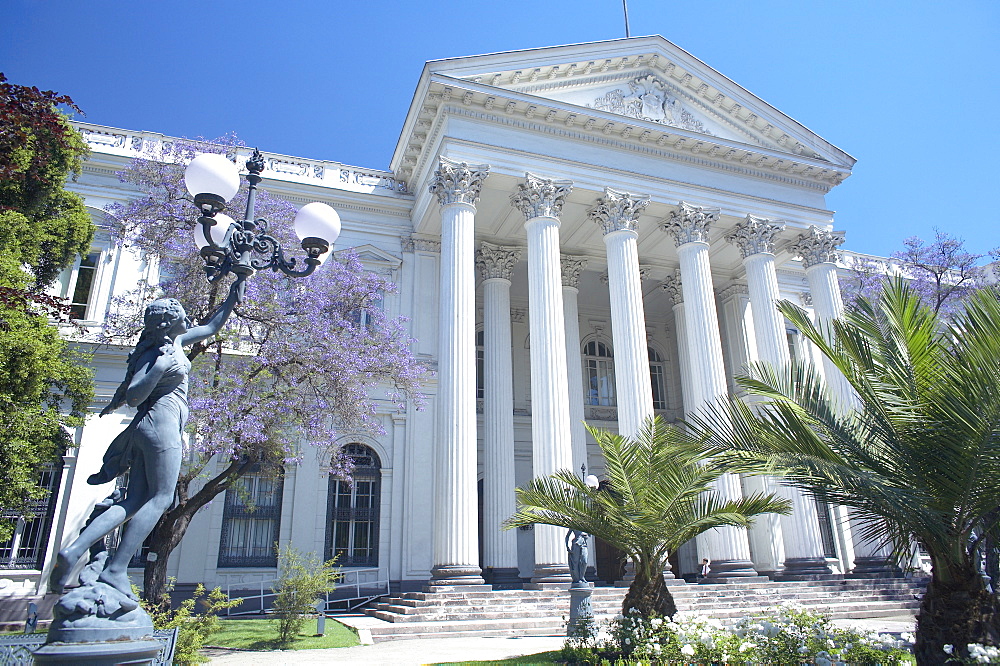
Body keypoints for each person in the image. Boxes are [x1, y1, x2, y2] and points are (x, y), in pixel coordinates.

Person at [50, 278, 244, 605]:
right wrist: (160, 369)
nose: (187, 316)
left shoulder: (178, 340)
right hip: (160, 423)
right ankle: (116, 569)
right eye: (181, 313)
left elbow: (212, 325)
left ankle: (75, 550)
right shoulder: (158, 354)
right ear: (168, 322)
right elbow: (135, 395)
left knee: (134, 499)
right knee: (162, 498)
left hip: (152, 426)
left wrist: (237, 287)